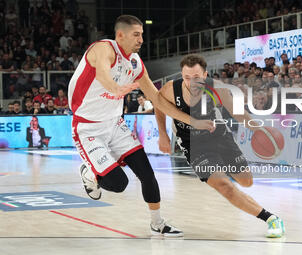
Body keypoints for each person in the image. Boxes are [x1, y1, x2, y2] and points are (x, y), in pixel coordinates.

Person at [68, 15, 213, 237]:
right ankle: (91, 174)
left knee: (147, 173)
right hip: (88, 128)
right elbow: (102, 74)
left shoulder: (135, 62)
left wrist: (192, 120)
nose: (141, 39)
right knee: (118, 183)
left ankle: (158, 223)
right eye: (136, 34)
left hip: (116, 125)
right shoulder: (102, 49)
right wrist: (116, 88)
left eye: (142, 35)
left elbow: (157, 99)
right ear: (120, 35)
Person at [155, 54, 285, 238]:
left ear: (205, 74)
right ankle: (271, 219)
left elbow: (239, 114)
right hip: (193, 144)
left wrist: (261, 131)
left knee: (246, 181)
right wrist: (162, 134)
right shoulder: (171, 89)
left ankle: (220, 166)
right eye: (187, 77)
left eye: (197, 78)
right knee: (224, 185)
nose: (192, 82)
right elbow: (159, 105)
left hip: (219, 136)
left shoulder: (218, 88)